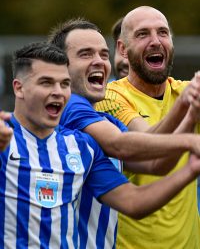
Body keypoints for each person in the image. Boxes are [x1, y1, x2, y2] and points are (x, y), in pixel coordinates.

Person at [48, 19, 200, 248]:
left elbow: (153, 165)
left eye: (102, 54)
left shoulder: (101, 124)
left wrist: (188, 116)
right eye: (86, 54)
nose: (99, 61)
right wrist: (189, 138)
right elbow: (119, 144)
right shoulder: (70, 105)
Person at [96, 6, 200, 249]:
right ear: (122, 48)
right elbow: (150, 146)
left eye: (163, 33)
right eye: (143, 34)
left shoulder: (185, 92)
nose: (155, 41)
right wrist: (187, 109)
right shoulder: (109, 97)